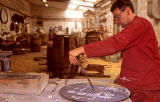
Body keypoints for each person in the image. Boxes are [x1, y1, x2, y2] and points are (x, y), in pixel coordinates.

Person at [69, 0, 160, 102]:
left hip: (146, 88)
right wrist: (123, 75)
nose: (116, 21)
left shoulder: (140, 24)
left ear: (128, 11)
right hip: (138, 84)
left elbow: (115, 43)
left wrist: (81, 49)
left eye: (117, 16)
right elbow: (136, 57)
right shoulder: (133, 29)